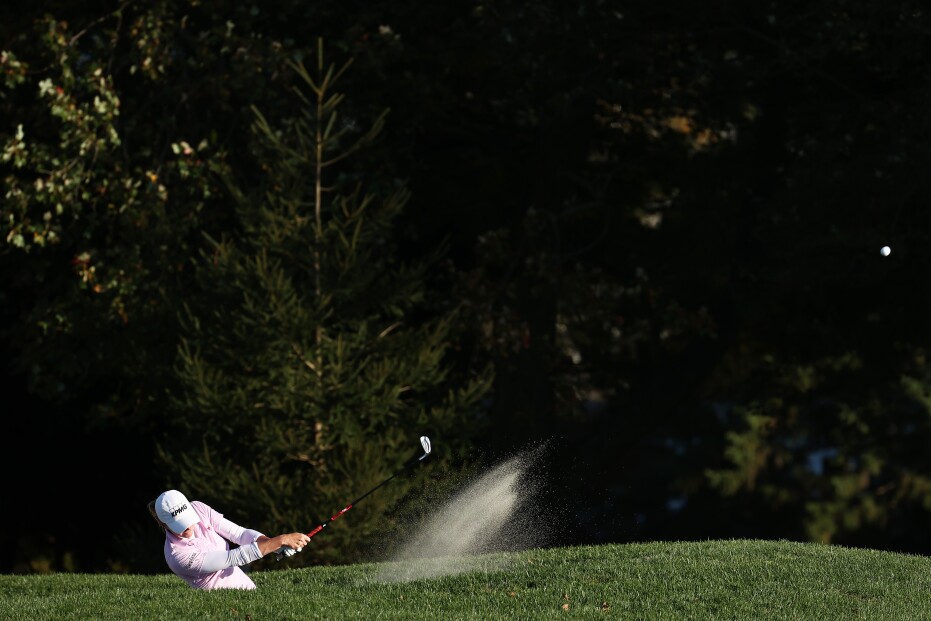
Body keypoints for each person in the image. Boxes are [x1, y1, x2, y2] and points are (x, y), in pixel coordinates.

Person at [147, 489, 310, 590]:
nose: (187, 526)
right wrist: (281, 540)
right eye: (179, 524)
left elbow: (239, 534)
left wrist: (273, 544)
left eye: (187, 518)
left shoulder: (198, 508)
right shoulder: (177, 556)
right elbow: (232, 558)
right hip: (219, 605)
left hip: (247, 589)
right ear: (164, 524)